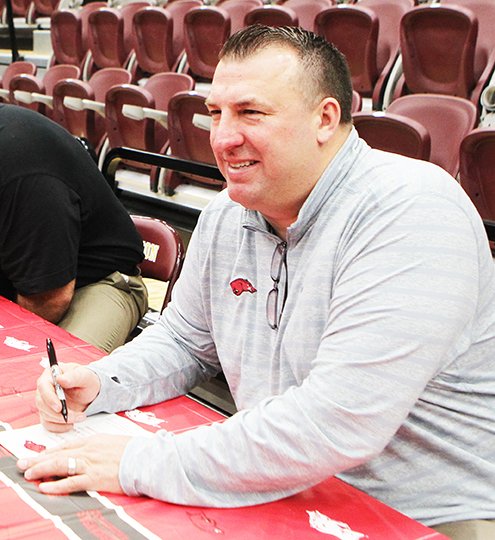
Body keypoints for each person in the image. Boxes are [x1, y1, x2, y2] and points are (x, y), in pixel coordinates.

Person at [18, 26, 495, 539]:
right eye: (216, 113)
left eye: (251, 113)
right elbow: (185, 340)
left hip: (424, 517)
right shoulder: (229, 212)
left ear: (325, 118)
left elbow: (336, 422)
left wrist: (141, 462)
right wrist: (104, 382)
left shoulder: (412, 211)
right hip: (276, 482)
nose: (222, 137)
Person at [0, 104, 148, 352]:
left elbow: (50, 299)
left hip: (95, 283)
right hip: (23, 283)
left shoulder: (23, 174)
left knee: (54, 380)